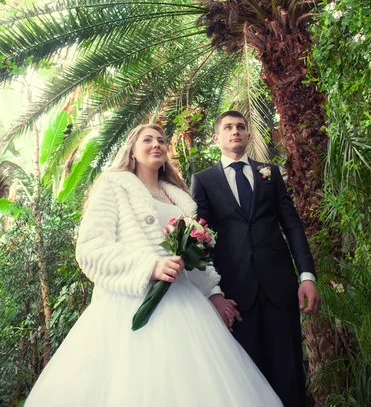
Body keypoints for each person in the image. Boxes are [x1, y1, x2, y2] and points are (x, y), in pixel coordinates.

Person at [25, 123, 283, 407]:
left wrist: (215, 294)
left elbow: (191, 257)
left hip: (187, 306)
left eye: (161, 139)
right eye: (147, 139)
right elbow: (90, 249)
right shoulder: (114, 185)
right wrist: (150, 266)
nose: (156, 144)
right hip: (129, 305)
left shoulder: (177, 197)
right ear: (132, 150)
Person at [191, 111, 321, 407]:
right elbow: (200, 240)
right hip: (236, 296)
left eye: (240, 127)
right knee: (248, 374)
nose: (235, 131)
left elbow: (292, 225)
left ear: (249, 136)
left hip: (280, 288)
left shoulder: (270, 173)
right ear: (217, 138)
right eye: (228, 127)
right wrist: (214, 293)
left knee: (290, 371)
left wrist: (307, 277)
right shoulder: (204, 180)